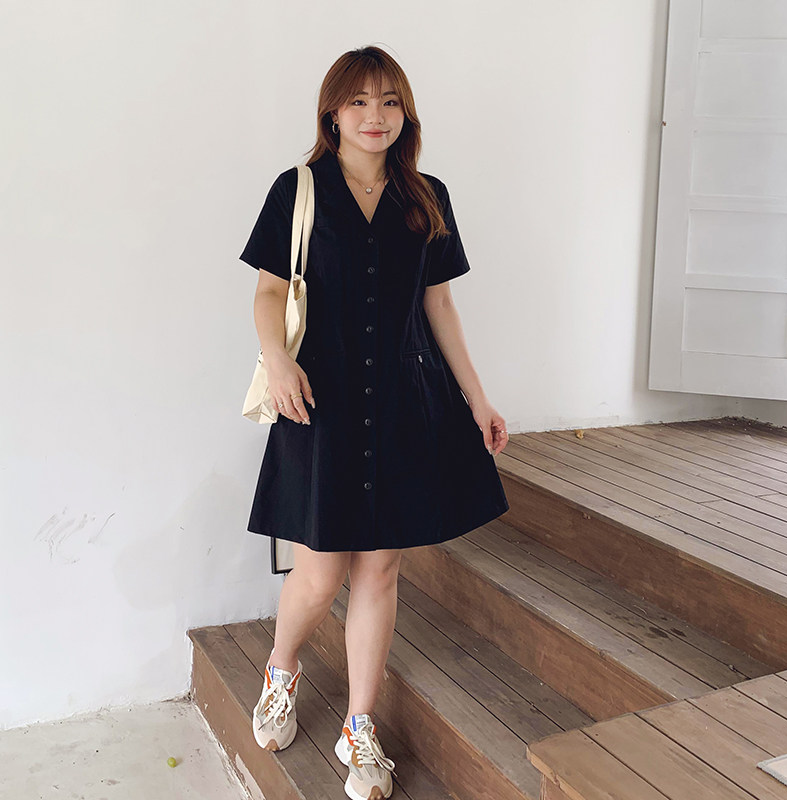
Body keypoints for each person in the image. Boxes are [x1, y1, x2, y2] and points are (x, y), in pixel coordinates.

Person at [239, 45, 510, 800]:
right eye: (358, 101)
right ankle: (281, 670)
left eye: (390, 101)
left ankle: (359, 725)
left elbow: (439, 304)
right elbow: (269, 292)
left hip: (402, 403)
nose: (375, 116)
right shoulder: (297, 189)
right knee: (320, 569)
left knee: (381, 568)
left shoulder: (427, 196)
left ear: (406, 113)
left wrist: (478, 398)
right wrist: (278, 360)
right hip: (317, 403)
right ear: (333, 112)